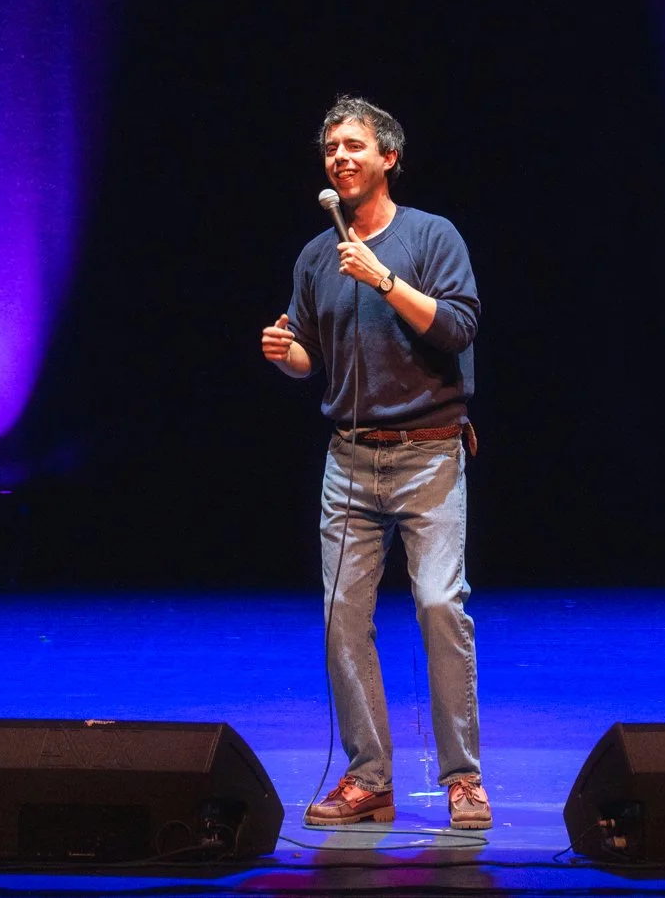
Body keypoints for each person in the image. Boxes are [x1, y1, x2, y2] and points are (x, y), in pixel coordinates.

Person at [260, 96, 490, 832]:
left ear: (389, 157)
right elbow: (312, 357)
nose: (340, 158)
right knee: (342, 619)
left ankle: (462, 778)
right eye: (332, 148)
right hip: (350, 462)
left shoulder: (431, 235)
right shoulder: (315, 255)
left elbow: (457, 326)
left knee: (437, 604)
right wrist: (285, 353)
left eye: (355, 146)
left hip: (429, 453)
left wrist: (385, 278)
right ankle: (368, 777)